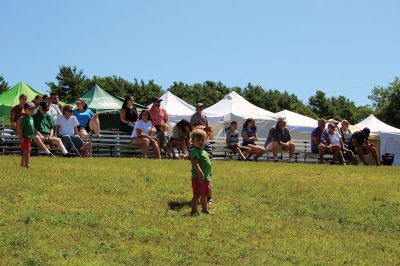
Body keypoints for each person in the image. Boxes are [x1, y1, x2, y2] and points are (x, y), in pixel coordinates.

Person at [190, 129, 212, 216]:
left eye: (202, 140)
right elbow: (195, 163)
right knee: (197, 195)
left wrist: (207, 174)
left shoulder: (204, 151)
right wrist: (200, 173)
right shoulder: (194, 151)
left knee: (204, 195)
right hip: (198, 177)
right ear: (192, 141)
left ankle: (205, 210)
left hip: (206, 177)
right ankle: (194, 211)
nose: (201, 142)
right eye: (198, 140)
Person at [17, 102, 36, 168]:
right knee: (27, 151)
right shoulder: (24, 118)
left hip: (28, 137)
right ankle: (27, 165)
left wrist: (31, 137)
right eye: (29, 109)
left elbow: (31, 128)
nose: (32, 110)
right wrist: (21, 137)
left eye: (33, 109)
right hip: (24, 137)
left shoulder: (31, 118)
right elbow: (20, 128)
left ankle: (22, 164)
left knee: (25, 151)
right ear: (25, 110)